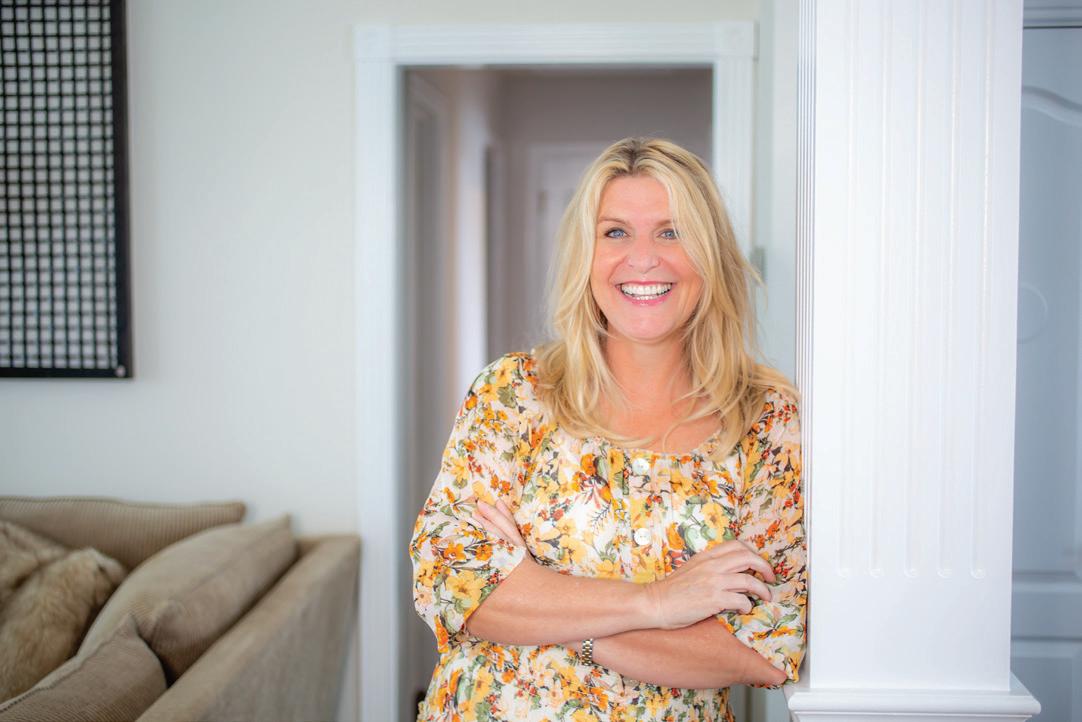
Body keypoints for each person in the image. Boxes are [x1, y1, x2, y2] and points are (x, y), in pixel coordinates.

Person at [409, 137, 806, 721]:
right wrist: (659, 603)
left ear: (712, 255)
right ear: (585, 255)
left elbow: (766, 650)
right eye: (615, 232)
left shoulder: (766, 419)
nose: (643, 259)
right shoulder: (514, 392)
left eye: (672, 232)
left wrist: (539, 599)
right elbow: (449, 581)